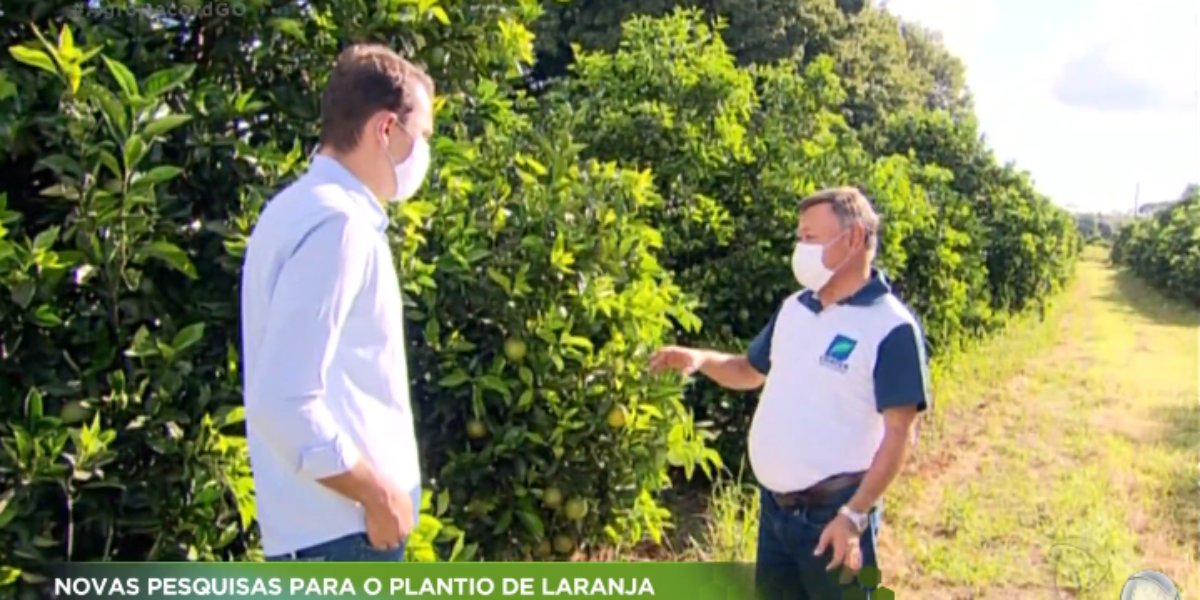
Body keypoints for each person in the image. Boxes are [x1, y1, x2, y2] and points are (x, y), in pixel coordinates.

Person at [650, 187, 929, 599]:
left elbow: (900, 433)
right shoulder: (795, 308)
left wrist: (854, 516)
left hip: (833, 515)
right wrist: (700, 358)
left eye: (810, 237)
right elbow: (749, 371)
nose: (800, 249)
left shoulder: (890, 327)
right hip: (776, 512)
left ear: (853, 238)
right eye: (799, 237)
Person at [239, 43, 435, 562]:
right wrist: (377, 494)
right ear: (385, 129)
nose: (423, 153)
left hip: (324, 537)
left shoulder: (294, 211)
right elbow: (283, 400)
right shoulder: (339, 225)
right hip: (347, 536)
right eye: (421, 136)